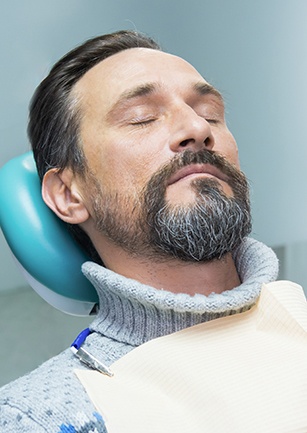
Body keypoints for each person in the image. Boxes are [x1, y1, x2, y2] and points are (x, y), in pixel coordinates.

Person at [0, 30, 278, 432]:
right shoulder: (35, 418)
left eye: (211, 113)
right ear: (68, 194)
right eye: (142, 117)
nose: (197, 128)